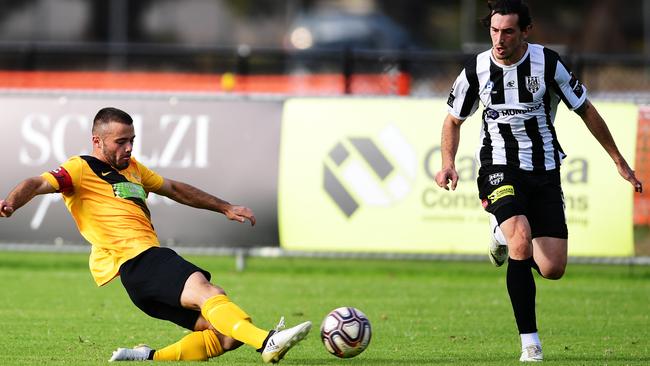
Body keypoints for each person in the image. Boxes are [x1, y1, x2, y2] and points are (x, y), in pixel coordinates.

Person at [0, 107, 311, 363]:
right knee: (211, 294)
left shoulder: (133, 168)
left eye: (132, 140)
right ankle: (268, 341)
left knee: (227, 336)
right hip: (140, 259)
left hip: (140, 280)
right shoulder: (81, 168)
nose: (129, 147)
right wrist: (12, 202)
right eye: (121, 141)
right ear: (98, 141)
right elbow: (37, 183)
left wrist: (224, 206)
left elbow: (174, 189)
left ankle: (148, 357)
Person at [434, 0, 642, 362]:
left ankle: (499, 234)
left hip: (544, 169)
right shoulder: (476, 69)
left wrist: (618, 159)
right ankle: (530, 343)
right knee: (521, 238)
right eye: (494, 31)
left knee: (553, 268)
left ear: (526, 31)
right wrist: (447, 163)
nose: (499, 39)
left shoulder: (548, 64)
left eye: (508, 31)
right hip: (498, 164)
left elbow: (585, 109)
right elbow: (453, 120)